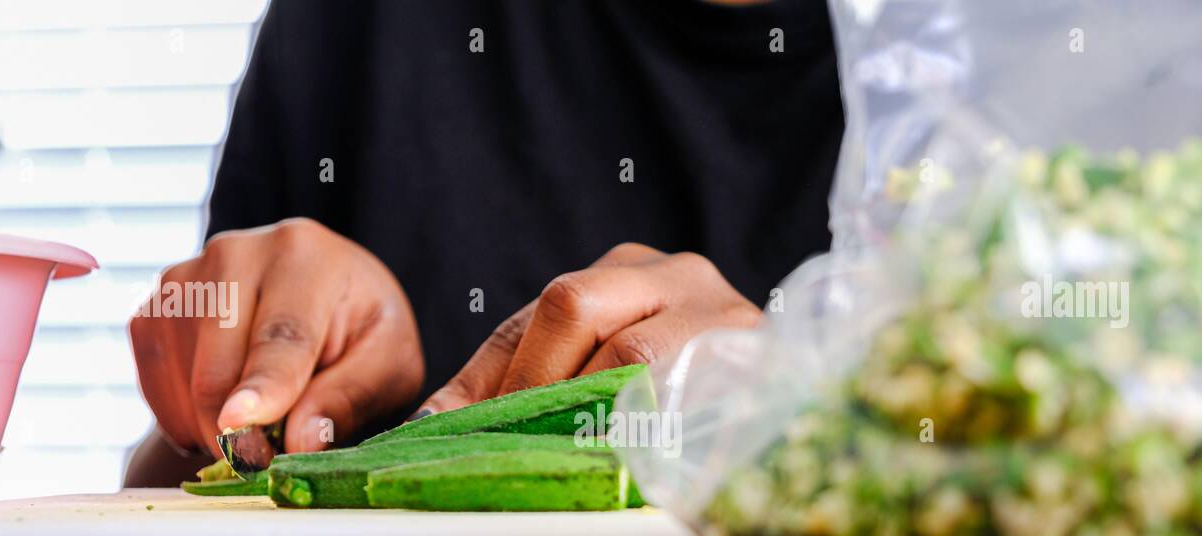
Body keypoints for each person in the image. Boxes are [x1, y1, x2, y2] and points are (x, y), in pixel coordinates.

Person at [125, 0, 844, 485]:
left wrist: (786, 421)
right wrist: (239, 410)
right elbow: (167, 493)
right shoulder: (355, 24)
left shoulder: (946, 86)